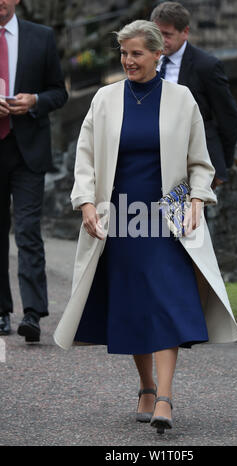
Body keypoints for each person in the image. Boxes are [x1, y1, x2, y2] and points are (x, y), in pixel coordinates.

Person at [54, 20, 237, 434]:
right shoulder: (104, 99)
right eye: (123, 53)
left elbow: (200, 162)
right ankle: (145, 386)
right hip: (120, 216)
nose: (128, 61)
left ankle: (166, 397)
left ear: (159, 54)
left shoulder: (182, 99)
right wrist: (85, 202)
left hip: (169, 216)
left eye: (136, 53)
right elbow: (84, 159)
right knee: (135, 304)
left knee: (166, 301)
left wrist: (197, 198)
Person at [0, 0, 68, 341]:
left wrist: (36, 101)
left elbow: (60, 92)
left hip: (29, 151)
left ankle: (32, 314)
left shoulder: (40, 36)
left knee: (27, 230)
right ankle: (1, 310)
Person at [150, 1, 237, 190]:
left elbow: (228, 117)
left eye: (167, 34)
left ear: (185, 32)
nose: (161, 40)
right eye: (157, 33)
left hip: (190, 160)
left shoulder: (206, 66)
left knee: (190, 218)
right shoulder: (144, 59)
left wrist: (221, 162)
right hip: (151, 157)